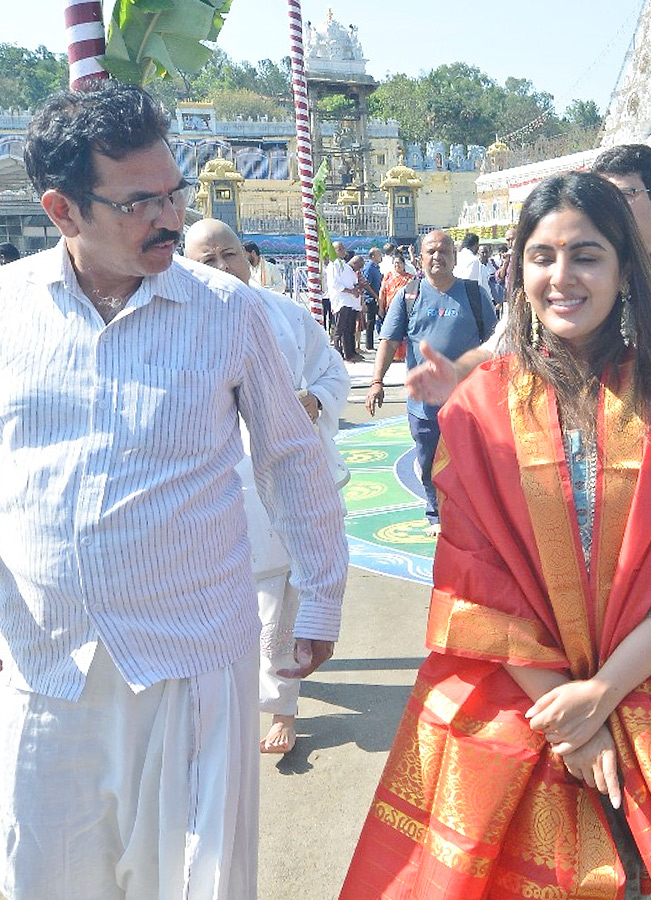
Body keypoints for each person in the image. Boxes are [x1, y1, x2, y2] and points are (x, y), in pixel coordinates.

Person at [337, 171, 651, 900]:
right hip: (521, 693)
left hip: (650, 686)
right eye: (542, 257)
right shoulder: (476, 409)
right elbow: (472, 580)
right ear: (517, 271)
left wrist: (603, 695)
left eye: (586, 255)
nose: (562, 277)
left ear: (622, 270)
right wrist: (571, 723)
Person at [0, 81, 347, 897]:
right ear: (62, 211)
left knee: (196, 879)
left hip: (192, 659)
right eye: (141, 202)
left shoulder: (229, 312)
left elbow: (291, 460)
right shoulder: (7, 310)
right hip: (47, 660)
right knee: (50, 873)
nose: (171, 217)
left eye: (175, 192)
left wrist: (323, 598)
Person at [397, 143, 651, 566]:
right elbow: (496, 349)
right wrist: (456, 372)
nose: (565, 277)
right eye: (544, 258)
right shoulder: (556, 302)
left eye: (624, 194)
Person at [184, 218, 350, 756]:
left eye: (228, 254)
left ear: (249, 258)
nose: (220, 268)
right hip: (219, 492)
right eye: (205, 261)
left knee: (283, 602)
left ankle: (281, 708)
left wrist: (315, 402)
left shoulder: (286, 314)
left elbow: (331, 371)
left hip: (289, 482)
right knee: (241, 608)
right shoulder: (177, 326)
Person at [366, 229, 497, 535]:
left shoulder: (476, 296)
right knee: (427, 461)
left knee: (472, 462)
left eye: (444, 251)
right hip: (423, 406)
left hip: (469, 403)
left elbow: (496, 342)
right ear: (420, 257)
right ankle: (434, 512)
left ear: (454, 257)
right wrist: (376, 381)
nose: (437, 257)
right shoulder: (408, 295)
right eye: (431, 252)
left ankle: (471, 512)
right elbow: (388, 340)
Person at [327, 240, 362, 361]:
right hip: (341, 301)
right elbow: (335, 284)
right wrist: (351, 291)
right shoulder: (333, 265)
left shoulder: (344, 266)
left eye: (343, 249)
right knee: (339, 329)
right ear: (335, 251)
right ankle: (338, 354)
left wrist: (356, 289)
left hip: (350, 301)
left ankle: (349, 353)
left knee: (349, 329)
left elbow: (354, 281)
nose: (343, 251)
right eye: (340, 249)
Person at [360, 248, 383, 351]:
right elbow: (366, 285)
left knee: (379, 320)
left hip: (377, 297)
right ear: (373, 255)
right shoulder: (369, 267)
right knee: (370, 322)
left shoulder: (376, 267)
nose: (381, 256)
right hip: (371, 299)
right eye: (379, 254)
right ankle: (369, 345)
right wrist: (376, 297)